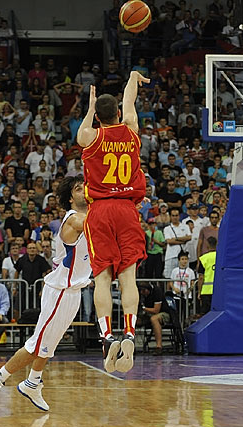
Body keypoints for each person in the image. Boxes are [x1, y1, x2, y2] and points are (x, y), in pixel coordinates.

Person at [0, 176, 92, 414]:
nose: (85, 190)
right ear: (70, 198)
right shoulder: (74, 219)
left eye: (86, 187)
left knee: (50, 343)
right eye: (78, 189)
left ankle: (32, 382)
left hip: (74, 291)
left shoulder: (90, 216)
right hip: (60, 291)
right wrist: (123, 203)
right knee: (37, 344)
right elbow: (99, 221)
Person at [77, 73, 149, 374]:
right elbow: (130, 100)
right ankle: (130, 333)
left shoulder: (91, 137)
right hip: (127, 208)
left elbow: (81, 132)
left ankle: (107, 337)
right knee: (128, 277)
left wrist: (90, 108)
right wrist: (132, 78)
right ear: (118, 112)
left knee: (103, 278)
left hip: (101, 210)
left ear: (97, 117)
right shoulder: (131, 130)